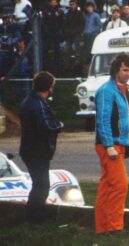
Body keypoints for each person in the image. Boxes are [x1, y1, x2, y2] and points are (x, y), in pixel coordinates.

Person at [94, 52, 129, 235]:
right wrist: (109, 145)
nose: (128, 73)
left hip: (118, 143)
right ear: (116, 69)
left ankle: (102, 227)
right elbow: (103, 120)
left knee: (107, 185)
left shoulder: (123, 90)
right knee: (120, 185)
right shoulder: (106, 91)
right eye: (125, 69)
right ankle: (115, 227)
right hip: (109, 145)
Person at [19, 72, 63, 224]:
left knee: (40, 184)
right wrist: (59, 125)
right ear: (49, 87)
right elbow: (46, 125)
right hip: (36, 150)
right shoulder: (37, 103)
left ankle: (35, 216)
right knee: (42, 185)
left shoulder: (30, 100)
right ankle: (35, 218)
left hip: (31, 149)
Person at [42, 0, 63, 73]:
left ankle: (57, 68)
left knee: (57, 51)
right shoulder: (46, 10)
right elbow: (44, 22)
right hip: (49, 33)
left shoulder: (60, 10)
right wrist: (47, 32)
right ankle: (46, 67)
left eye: (55, 2)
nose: (53, 3)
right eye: (52, 2)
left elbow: (62, 22)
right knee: (46, 50)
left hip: (57, 33)